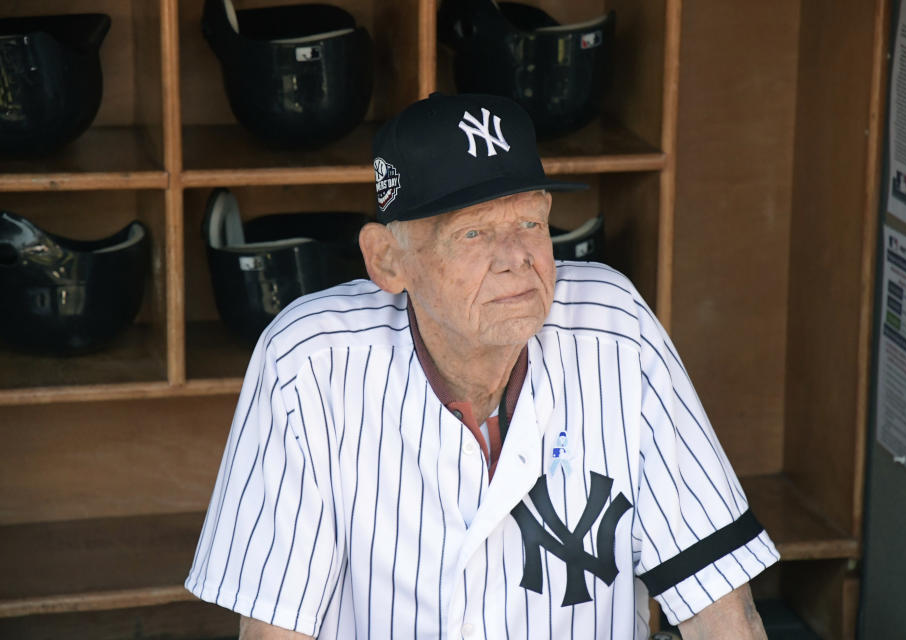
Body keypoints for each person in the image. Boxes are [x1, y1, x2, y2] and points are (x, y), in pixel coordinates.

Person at [185, 92, 779, 639]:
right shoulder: (309, 364)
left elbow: (725, 612)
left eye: (530, 222)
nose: (517, 258)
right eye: (471, 233)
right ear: (388, 261)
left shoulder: (616, 328)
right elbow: (273, 631)